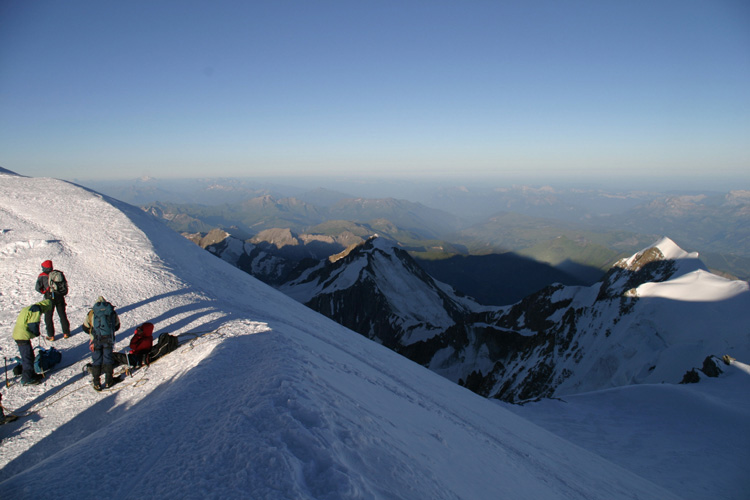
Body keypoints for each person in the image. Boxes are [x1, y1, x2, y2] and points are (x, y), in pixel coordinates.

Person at [82, 296, 120, 391]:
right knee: (108, 359)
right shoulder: (111, 312)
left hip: (95, 340)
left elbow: (85, 327)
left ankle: (96, 383)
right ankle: (109, 381)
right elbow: (117, 326)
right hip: (108, 339)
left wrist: (92, 334)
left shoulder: (92, 313)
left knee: (96, 361)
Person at [12, 299, 53, 385]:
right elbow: (33, 324)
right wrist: (36, 333)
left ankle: (31, 374)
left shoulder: (28, 308)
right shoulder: (36, 309)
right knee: (27, 357)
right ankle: (27, 379)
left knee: (29, 355)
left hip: (19, 334)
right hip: (22, 336)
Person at [35, 260, 70, 341]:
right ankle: (66, 333)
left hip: (49, 298)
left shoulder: (42, 275)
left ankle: (51, 336)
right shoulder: (58, 274)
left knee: (48, 316)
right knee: (62, 315)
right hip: (60, 296)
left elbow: (37, 288)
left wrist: (44, 291)